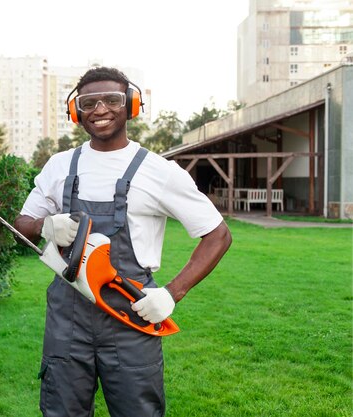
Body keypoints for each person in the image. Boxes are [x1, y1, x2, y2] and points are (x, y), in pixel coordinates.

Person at [13, 66, 232, 417]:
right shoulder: (58, 166)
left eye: (112, 100)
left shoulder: (159, 171)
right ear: (76, 111)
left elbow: (218, 234)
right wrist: (44, 226)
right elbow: (19, 225)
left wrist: (172, 293)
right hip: (67, 320)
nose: (100, 109)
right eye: (89, 102)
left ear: (130, 105)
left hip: (132, 315)